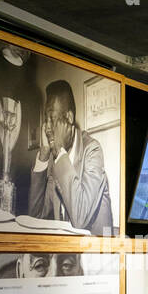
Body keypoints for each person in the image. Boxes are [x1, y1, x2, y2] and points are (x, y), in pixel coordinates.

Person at [28, 80, 115, 235]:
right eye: (45, 121)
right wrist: (43, 155)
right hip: (67, 255)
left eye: (52, 119)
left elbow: (80, 219)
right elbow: (35, 218)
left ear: (68, 118)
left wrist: (60, 153)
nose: (47, 127)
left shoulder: (92, 150)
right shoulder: (56, 159)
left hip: (96, 255)